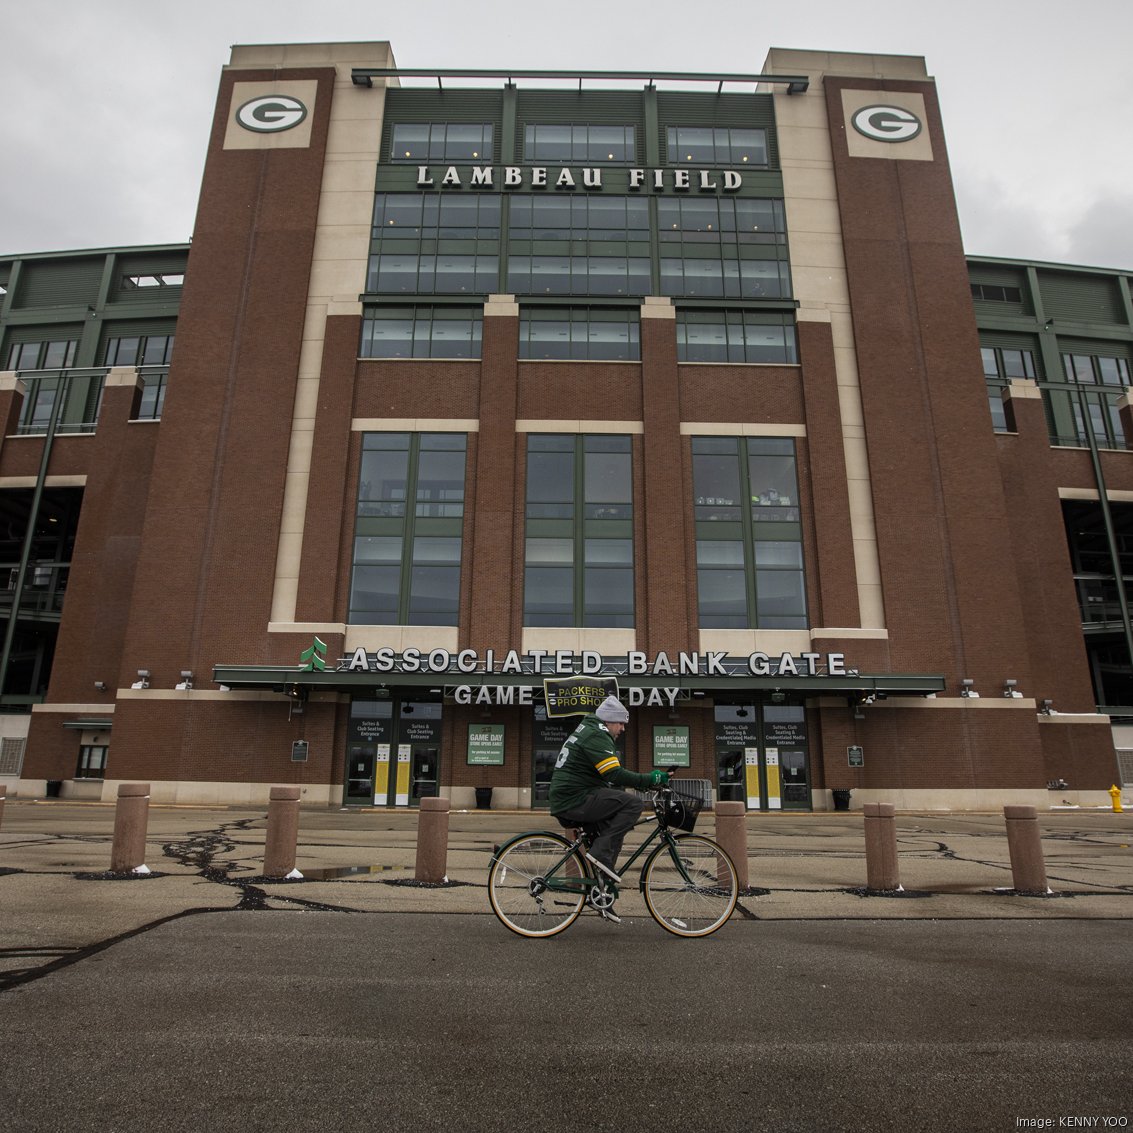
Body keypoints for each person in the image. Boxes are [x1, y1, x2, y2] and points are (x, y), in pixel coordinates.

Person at [549, 695, 670, 923]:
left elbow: (609, 777)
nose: (623, 728)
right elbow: (613, 774)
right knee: (632, 804)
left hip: (573, 797)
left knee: (613, 831)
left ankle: (602, 895)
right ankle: (598, 852)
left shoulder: (590, 730)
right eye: (621, 723)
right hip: (574, 799)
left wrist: (648, 782)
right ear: (610, 721)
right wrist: (649, 778)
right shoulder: (597, 734)